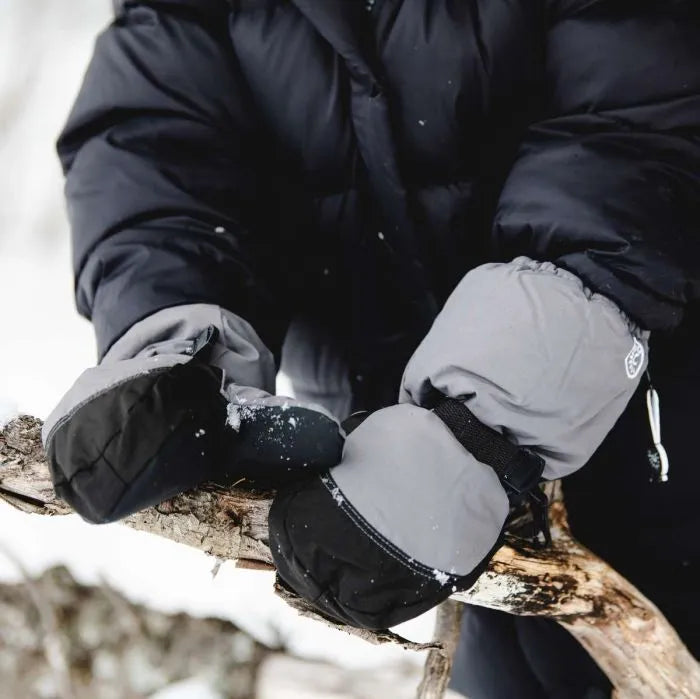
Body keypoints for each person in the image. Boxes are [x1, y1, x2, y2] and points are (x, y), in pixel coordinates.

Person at [43, 1, 699, 696]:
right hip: (403, 477)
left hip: (659, 429)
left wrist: (482, 426)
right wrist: (173, 338)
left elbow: (640, 134)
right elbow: (160, 129)